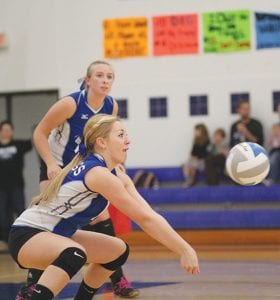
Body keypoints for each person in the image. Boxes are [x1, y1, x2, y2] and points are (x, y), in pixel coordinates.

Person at [8, 114, 200, 300]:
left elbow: (148, 214)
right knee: (74, 254)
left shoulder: (115, 174)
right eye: (121, 135)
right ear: (102, 142)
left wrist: (183, 248)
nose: (128, 140)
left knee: (117, 251)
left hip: (56, 234)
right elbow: (145, 220)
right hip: (27, 235)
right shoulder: (98, 174)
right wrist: (184, 249)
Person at [17, 60, 138, 299]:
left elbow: (106, 141)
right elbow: (40, 133)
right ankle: (31, 285)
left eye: (110, 76)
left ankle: (117, 278)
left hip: (85, 168)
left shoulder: (110, 106)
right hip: (58, 166)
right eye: (100, 75)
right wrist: (51, 164)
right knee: (48, 224)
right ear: (88, 80)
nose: (105, 80)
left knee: (103, 217)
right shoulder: (70, 104)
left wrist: (116, 165)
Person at [0, 120, 32, 244]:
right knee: (3, 214)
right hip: (1, 187)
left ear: (12, 131)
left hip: (16, 185)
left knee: (20, 210)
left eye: (9, 130)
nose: (7, 132)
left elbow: (34, 141)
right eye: (4, 129)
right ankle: (5, 239)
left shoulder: (18, 145)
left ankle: (22, 237)